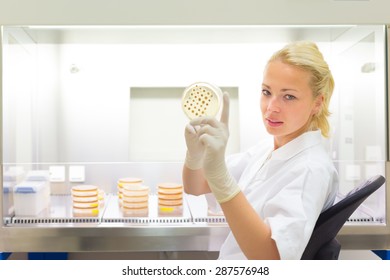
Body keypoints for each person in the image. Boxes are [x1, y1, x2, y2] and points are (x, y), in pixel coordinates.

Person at [182, 41, 339, 260]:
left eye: (289, 96)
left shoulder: (310, 169)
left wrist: (220, 177)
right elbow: (196, 186)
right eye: (267, 92)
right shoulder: (268, 149)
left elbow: (272, 258)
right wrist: (196, 156)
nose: (271, 107)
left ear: (317, 103)